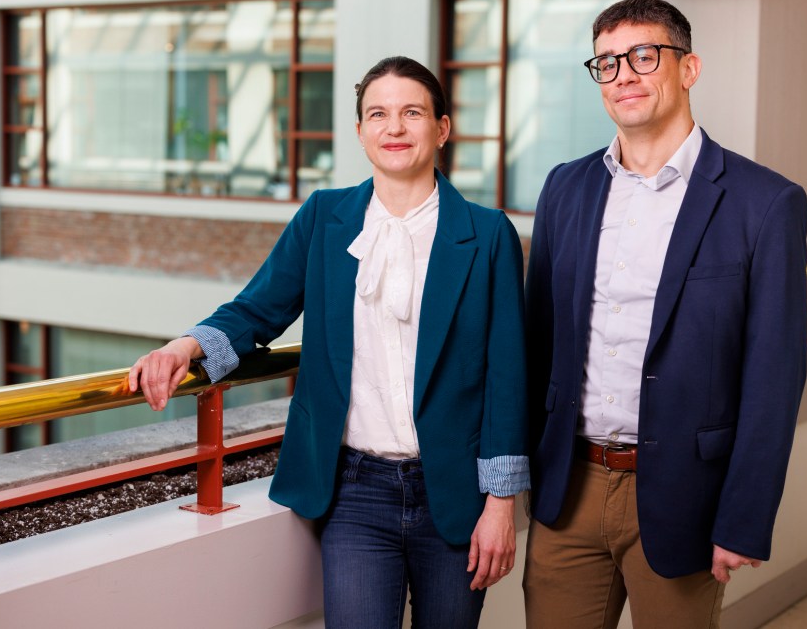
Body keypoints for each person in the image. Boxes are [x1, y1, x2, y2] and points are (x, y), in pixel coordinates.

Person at [128, 56, 529, 629]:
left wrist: (500, 504)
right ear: (361, 132)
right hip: (354, 491)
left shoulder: (487, 234)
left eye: (412, 112)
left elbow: (507, 374)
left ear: (441, 128)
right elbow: (259, 308)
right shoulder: (324, 217)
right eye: (378, 114)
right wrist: (184, 348)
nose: (395, 128)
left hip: (457, 491)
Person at [522, 0, 807, 628]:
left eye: (643, 56)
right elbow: (538, 342)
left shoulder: (765, 203)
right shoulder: (564, 188)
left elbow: (774, 380)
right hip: (569, 488)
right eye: (605, 62)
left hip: (686, 494)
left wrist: (744, 517)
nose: (622, 74)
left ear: (688, 67)